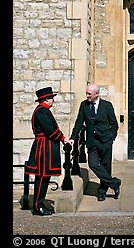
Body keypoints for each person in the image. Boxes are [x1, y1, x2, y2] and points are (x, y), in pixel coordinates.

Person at [69, 84, 121, 201]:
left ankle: (102, 191)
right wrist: (73, 137)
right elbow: (79, 123)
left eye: (89, 94)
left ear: (96, 94)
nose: (87, 96)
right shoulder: (84, 105)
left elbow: (114, 124)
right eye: (86, 93)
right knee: (93, 164)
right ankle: (114, 183)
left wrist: (111, 137)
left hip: (105, 140)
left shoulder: (107, 106)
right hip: (92, 141)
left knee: (106, 166)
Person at [25, 87, 72, 216]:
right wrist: (63, 138)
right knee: (42, 177)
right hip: (44, 147)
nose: (53, 100)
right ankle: (37, 206)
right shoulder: (42, 111)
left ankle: (40, 204)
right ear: (46, 99)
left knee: (44, 177)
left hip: (46, 146)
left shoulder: (43, 111)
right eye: (51, 98)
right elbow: (51, 130)